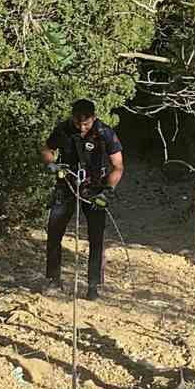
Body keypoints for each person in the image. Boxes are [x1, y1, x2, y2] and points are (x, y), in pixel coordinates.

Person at [40, 98, 124, 300]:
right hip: (66, 185)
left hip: (95, 188)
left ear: (93, 118)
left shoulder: (105, 133)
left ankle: (93, 286)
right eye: (78, 123)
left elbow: (118, 166)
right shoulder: (63, 129)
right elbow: (46, 149)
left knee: (96, 238)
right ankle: (53, 280)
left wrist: (107, 191)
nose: (81, 127)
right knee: (54, 232)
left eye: (86, 123)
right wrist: (52, 165)